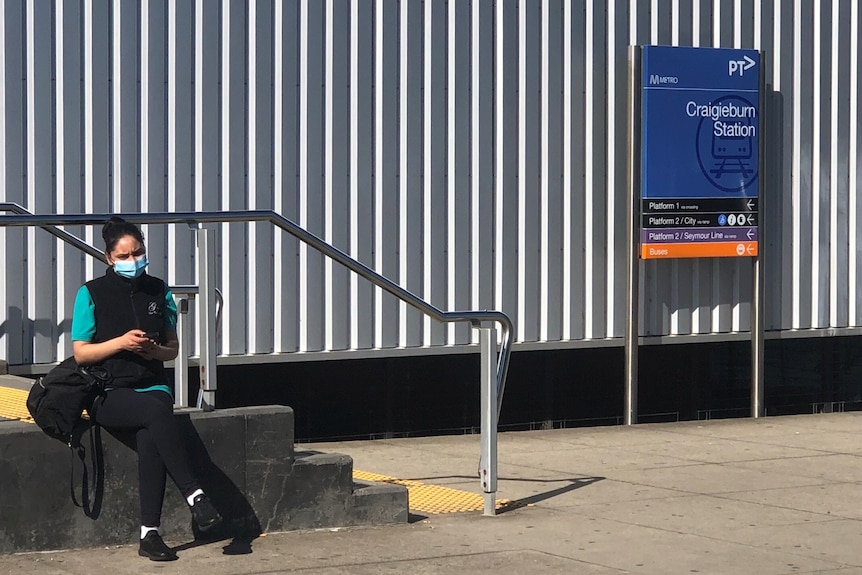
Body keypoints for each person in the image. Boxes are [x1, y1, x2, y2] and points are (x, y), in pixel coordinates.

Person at [71, 217, 222, 561]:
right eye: (124, 255)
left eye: (138, 252)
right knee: (157, 413)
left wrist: (155, 351)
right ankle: (195, 494)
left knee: (152, 432)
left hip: (151, 385)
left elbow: (173, 347)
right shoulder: (91, 293)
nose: (133, 260)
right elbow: (81, 353)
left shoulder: (158, 289)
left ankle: (149, 534)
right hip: (107, 390)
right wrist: (121, 343)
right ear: (109, 257)